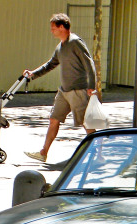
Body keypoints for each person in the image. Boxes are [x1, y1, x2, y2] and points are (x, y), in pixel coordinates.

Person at [23, 13, 97, 163]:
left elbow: (89, 64)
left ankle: (97, 154)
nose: (51, 31)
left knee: (86, 122)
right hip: (64, 91)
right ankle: (43, 152)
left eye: (53, 28)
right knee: (53, 119)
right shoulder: (60, 46)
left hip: (78, 90)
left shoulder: (75, 42)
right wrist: (33, 74)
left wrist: (91, 86)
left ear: (62, 27)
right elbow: (51, 64)